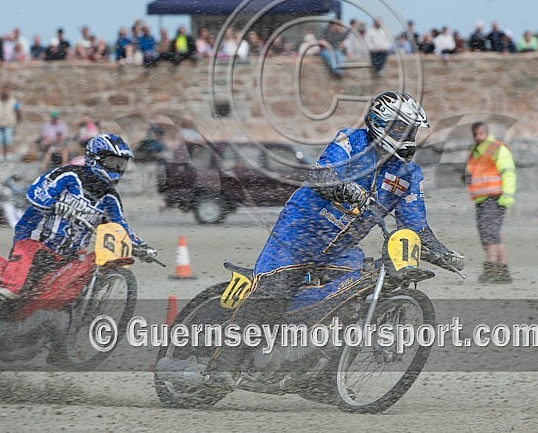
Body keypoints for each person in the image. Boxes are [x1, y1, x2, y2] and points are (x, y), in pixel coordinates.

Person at [202, 91, 464, 384]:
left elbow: (415, 225)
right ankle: (221, 368)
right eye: (403, 129)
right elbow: (321, 175)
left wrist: (442, 252)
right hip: (297, 236)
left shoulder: (409, 174)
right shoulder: (351, 141)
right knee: (272, 294)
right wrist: (344, 188)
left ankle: (316, 372)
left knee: (355, 295)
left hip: (341, 250)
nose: (409, 138)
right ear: (381, 124)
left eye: (412, 131)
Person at [0, 134, 156, 345]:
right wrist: (54, 203)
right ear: (96, 158)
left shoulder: (110, 198)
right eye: (112, 162)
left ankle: (55, 348)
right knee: (14, 286)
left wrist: (141, 247)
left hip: (68, 256)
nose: (117, 168)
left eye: (120, 164)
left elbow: (120, 227)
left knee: (68, 296)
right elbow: (35, 191)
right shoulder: (68, 175)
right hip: (35, 242)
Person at [465, 121, 516, 283]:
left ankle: (492, 267)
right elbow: (473, 173)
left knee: (489, 233)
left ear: (487, 132)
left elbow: (508, 172)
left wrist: (507, 195)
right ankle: (502, 269)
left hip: (494, 197)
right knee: (492, 233)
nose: (477, 136)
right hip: (482, 198)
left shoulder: (496, 148)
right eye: (475, 133)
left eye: (480, 133)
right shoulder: (475, 151)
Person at [0, 85, 21, 162]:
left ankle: (8, 154)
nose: (5, 93)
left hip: (9, 123)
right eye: (4, 91)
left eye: (6, 91)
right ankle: (0, 154)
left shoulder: (13, 101)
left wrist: (17, 121)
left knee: (8, 139)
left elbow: (18, 111)